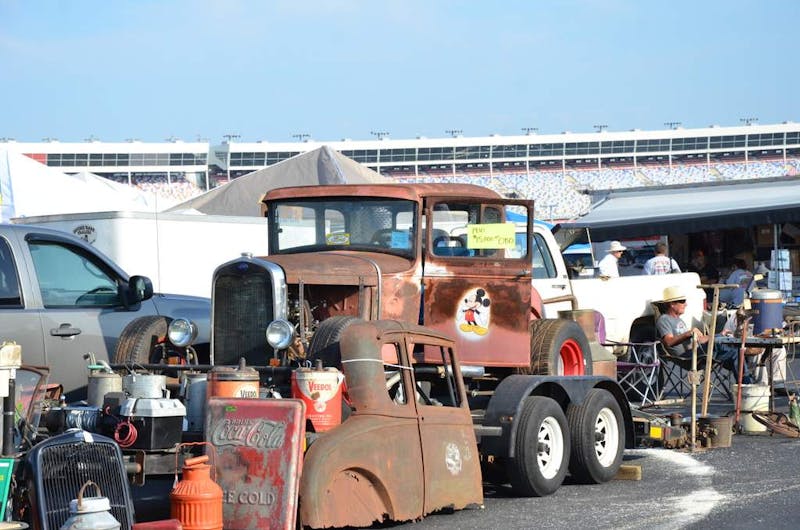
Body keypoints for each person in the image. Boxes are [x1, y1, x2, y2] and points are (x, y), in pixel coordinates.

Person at [656, 285, 750, 381]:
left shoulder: (679, 320)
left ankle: (745, 382)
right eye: (683, 301)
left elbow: (700, 340)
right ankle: (745, 382)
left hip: (697, 352)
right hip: (687, 357)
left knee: (734, 351)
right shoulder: (664, 320)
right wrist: (688, 333)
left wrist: (720, 334)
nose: (686, 304)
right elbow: (668, 342)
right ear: (672, 304)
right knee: (724, 348)